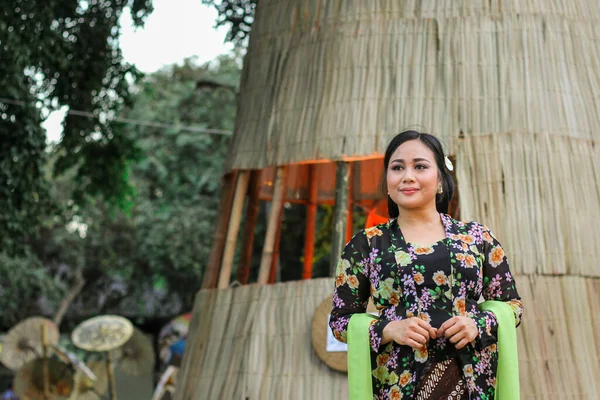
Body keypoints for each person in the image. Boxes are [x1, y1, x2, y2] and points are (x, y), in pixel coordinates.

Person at [329, 130, 523, 399]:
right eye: (397, 167)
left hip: (472, 383)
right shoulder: (366, 245)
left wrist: (477, 323)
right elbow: (340, 322)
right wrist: (387, 329)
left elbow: (512, 307)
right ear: (387, 180)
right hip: (398, 385)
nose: (408, 176)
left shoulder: (477, 237)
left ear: (441, 178)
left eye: (420, 166)